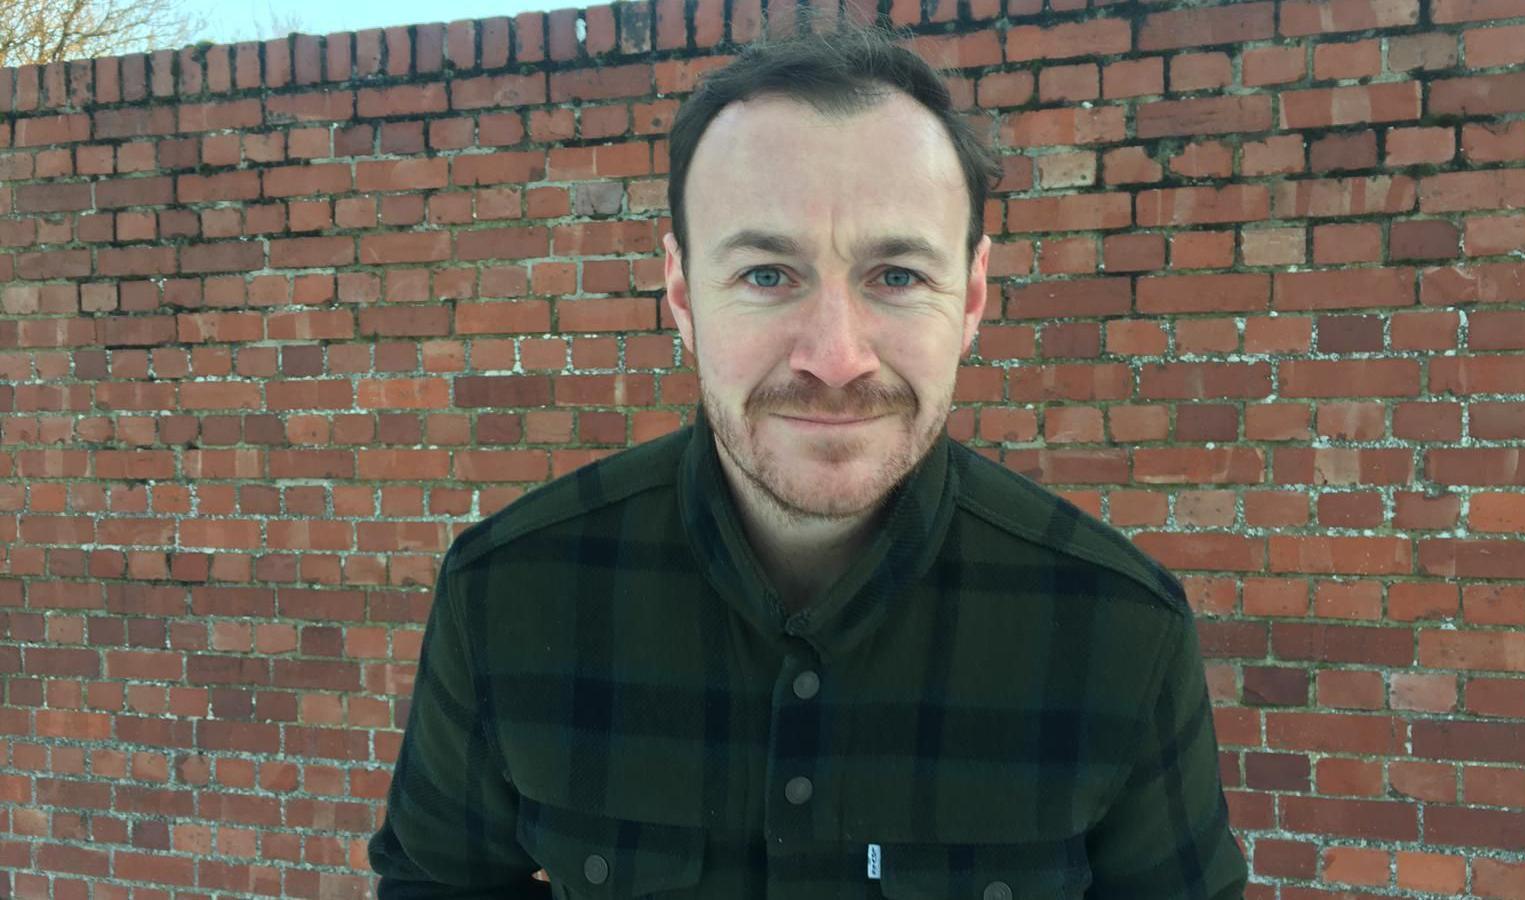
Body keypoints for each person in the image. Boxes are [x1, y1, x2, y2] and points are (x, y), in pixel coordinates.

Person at [367, 14, 1249, 899]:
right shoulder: (506, 596)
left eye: (897, 277)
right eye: (766, 275)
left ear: (973, 294)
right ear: (680, 290)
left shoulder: (1120, 634)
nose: (835, 357)